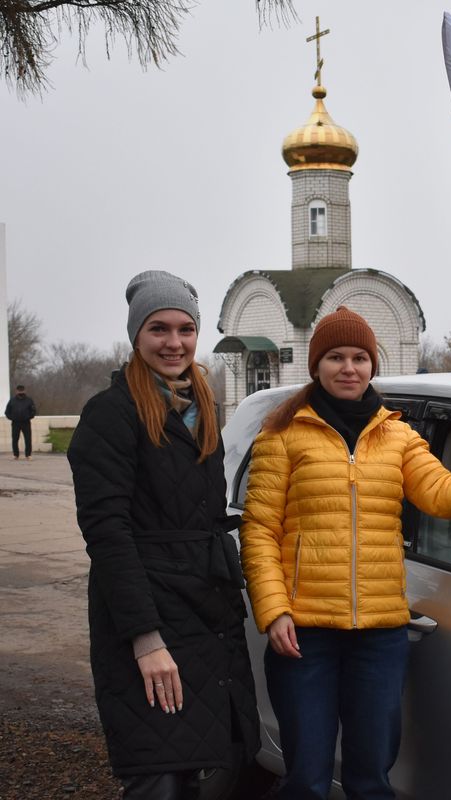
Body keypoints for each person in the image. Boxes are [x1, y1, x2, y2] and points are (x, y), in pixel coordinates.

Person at [240, 306, 451, 800]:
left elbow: (447, 496)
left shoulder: (399, 436)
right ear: (316, 365)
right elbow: (258, 531)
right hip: (304, 635)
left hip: (379, 637)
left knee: (370, 780)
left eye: (360, 357)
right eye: (336, 357)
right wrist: (274, 611)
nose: (349, 368)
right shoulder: (283, 435)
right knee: (307, 780)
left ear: (372, 366)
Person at [67, 270, 260, 799]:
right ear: (137, 335)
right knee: (160, 775)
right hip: (148, 617)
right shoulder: (110, 414)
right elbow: (107, 533)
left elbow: (211, 514)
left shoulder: (202, 408)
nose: (174, 343)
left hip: (206, 613)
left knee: (206, 764)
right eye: (158, 329)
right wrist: (145, 641)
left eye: (185, 329)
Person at [5, 383, 36, 460]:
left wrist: (28, 417)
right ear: (16, 391)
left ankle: (28, 455)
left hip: (26, 423)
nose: (20, 392)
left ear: (24, 391)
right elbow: (7, 411)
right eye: (19, 391)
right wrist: (12, 418)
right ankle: (16, 455)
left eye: (22, 390)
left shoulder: (29, 400)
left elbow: (33, 411)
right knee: (15, 439)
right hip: (15, 423)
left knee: (28, 439)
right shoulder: (12, 400)